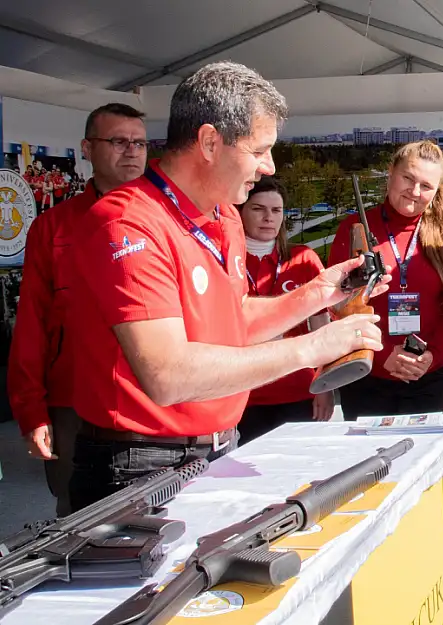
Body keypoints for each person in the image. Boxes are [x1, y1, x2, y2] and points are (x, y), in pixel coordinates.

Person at [66, 61, 390, 512]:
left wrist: (318, 292)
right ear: (209, 142)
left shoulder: (222, 216)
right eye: (260, 150)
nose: (269, 166)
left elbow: (230, 321)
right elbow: (167, 374)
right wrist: (313, 349)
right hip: (141, 465)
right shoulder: (128, 224)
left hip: (217, 448)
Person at [8, 103, 148, 516]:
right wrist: (31, 410)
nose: (131, 151)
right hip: (75, 402)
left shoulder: (173, 220)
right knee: (79, 516)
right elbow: (32, 323)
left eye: (139, 143)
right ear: (87, 148)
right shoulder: (54, 227)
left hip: (155, 394)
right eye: (118, 141)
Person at [328, 140, 443, 418]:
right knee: (370, 462)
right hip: (367, 376)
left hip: (427, 377)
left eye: (426, 186)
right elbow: (339, 306)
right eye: (408, 178)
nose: (414, 192)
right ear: (391, 172)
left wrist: (431, 357)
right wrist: (382, 354)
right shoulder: (355, 229)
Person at [236, 176, 334, 445]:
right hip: (242, 397)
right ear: (240, 212)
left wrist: (326, 388)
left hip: (300, 393)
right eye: (258, 209)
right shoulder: (225, 262)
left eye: (276, 210)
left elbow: (322, 330)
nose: (268, 217)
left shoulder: (303, 259)